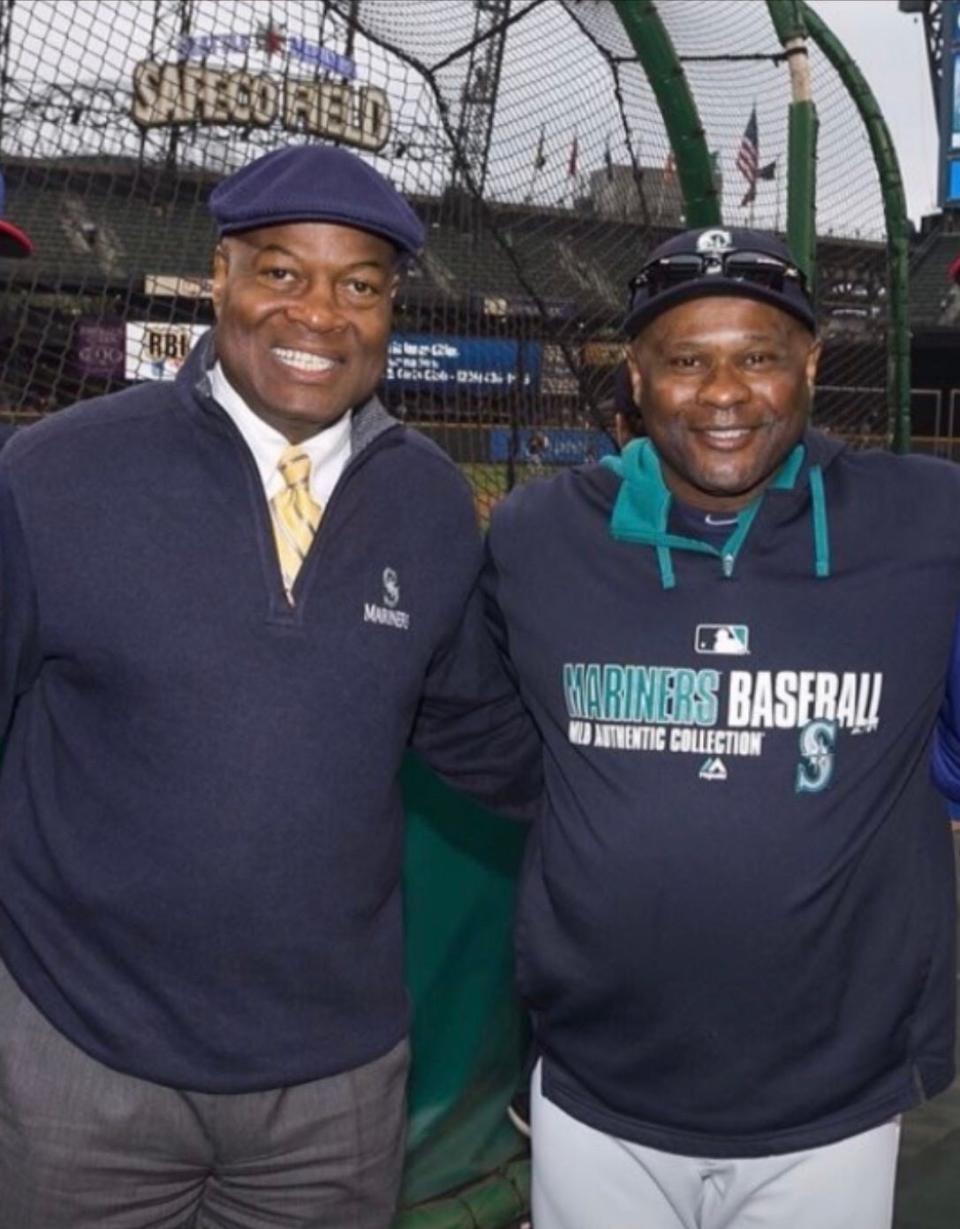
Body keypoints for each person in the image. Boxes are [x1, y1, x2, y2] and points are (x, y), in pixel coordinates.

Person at [0, 144, 540, 1229]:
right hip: (79, 1053)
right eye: (281, 272)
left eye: (359, 285)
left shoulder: (432, 504)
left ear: (391, 308)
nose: (319, 314)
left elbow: (492, 739)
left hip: (331, 1088)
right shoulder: (53, 473)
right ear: (220, 279)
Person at [483, 225, 960, 1229]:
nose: (725, 393)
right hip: (596, 1088)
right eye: (688, 360)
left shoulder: (925, 524)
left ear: (812, 362)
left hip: (834, 1101)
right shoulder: (538, 535)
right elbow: (480, 731)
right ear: (639, 374)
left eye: (758, 356)